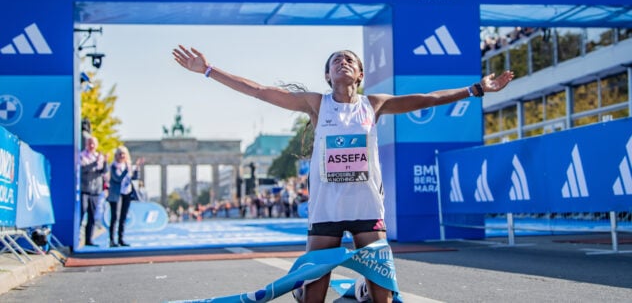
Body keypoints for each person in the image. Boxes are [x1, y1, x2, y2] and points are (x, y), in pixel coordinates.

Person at [172, 45, 514, 302]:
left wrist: (477, 89)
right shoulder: (316, 104)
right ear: (327, 76)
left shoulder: (373, 104)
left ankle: (365, 287)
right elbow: (260, 91)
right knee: (314, 298)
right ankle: (308, 289)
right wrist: (207, 70)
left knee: (385, 298)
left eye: (350, 59)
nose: (343, 62)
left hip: (367, 209)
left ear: (360, 75)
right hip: (327, 210)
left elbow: (425, 99)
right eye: (336, 60)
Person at [106, 145, 143, 247]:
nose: (122, 156)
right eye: (120, 154)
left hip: (127, 193)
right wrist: (126, 170)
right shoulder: (113, 166)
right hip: (116, 194)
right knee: (115, 217)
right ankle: (112, 240)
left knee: (123, 217)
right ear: (116, 155)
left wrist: (137, 169)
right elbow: (117, 178)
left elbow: (134, 178)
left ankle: (121, 239)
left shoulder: (128, 166)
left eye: (124, 154)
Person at [80, 136, 108, 247]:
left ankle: (89, 239)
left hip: (96, 191)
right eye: (89, 143)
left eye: (93, 144)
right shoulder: (82, 155)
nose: (91, 146)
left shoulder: (99, 157)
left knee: (92, 216)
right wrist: (95, 163)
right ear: (86, 144)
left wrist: (105, 162)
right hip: (85, 189)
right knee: (81, 213)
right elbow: (82, 169)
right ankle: (76, 238)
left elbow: (104, 172)